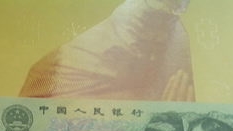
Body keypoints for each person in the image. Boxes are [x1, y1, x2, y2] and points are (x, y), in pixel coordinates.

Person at [19, 0, 194, 101]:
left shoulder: (176, 47)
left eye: (169, 22)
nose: (159, 37)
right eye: (151, 18)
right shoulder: (60, 68)